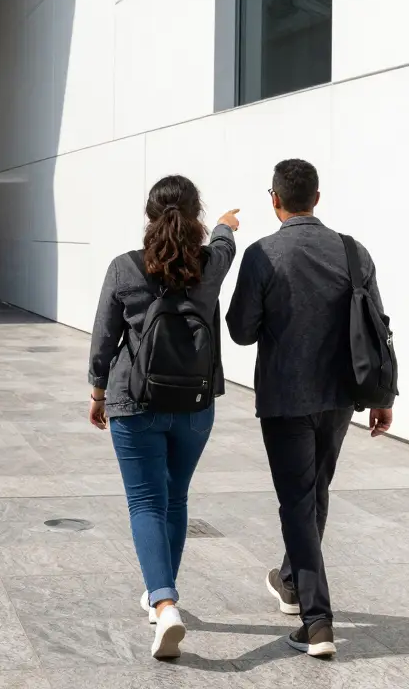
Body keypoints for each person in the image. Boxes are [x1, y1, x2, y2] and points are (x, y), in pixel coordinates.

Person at [226, 159, 394, 658]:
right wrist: (382, 399)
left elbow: (239, 330)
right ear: (316, 198)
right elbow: (378, 327)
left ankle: (317, 622)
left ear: (273, 199)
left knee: (299, 501)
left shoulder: (263, 254)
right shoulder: (352, 251)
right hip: (341, 396)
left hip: (285, 398)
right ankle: (293, 583)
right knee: (315, 491)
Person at [87, 175, 240, 660]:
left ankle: (164, 601)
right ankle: (161, 595)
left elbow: (104, 337)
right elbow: (224, 242)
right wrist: (224, 225)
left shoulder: (125, 268)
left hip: (134, 402)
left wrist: (97, 391)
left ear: (149, 217)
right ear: (194, 216)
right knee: (175, 499)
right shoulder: (210, 266)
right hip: (195, 404)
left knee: (145, 504)